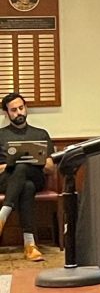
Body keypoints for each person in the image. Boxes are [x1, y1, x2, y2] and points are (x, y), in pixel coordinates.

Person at [0, 92, 55, 261]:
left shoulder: (41, 134)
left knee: (24, 167)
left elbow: (50, 168)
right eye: (13, 110)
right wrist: (10, 164)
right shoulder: (0, 135)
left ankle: (2, 215)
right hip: (7, 180)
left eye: (21, 108)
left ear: (26, 108)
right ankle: (30, 245)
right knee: (26, 185)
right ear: (7, 113)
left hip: (37, 175)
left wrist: (35, 160)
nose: (18, 113)